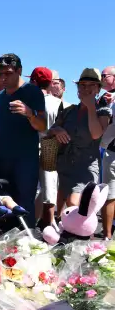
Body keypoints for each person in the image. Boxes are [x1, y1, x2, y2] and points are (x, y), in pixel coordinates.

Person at [0, 53, 47, 226]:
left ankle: (28, 242)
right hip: (3, 160)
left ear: (19, 71)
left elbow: (43, 125)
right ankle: (9, 246)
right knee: (6, 202)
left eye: (8, 73)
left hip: (25, 160)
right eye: (0, 74)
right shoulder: (0, 96)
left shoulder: (32, 92)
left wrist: (29, 113)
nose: (3, 78)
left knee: (25, 204)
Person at [49, 68, 111, 214]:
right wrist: (57, 130)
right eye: (83, 85)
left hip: (86, 167)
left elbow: (96, 134)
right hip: (64, 164)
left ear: (98, 89)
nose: (86, 88)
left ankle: (76, 232)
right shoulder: (69, 110)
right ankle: (64, 230)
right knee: (62, 202)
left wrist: (90, 107)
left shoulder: (103, 111)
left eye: (91, 85)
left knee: (74, 203)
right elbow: (50, 130)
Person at [29, 67, 62, 224]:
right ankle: (49, 225)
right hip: (51, 146)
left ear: (34, 82)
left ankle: (34, 224)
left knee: (32, 189)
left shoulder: (28, 102)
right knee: (49, 189)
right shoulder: (58, 103)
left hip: (30, 147)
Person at [99, 66, 115, 237]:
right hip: (110, 150)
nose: (101, 78)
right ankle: (107, 234)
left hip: (109, 148)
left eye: (105, 76)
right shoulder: (105, 98)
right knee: (110, 193)